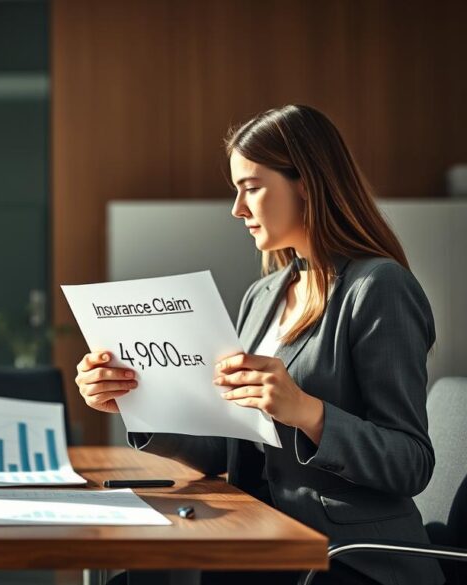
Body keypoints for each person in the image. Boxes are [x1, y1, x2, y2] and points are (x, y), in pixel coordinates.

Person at [76, 105, 442, 585]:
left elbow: (411, 461)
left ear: (307, 183)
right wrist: (133, 399)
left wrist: (307, 411)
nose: (237, 209)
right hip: (261, 538)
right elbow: (232, 451)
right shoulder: (263, 295)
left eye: (251, 187)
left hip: (345, 557)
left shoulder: (379, 287)